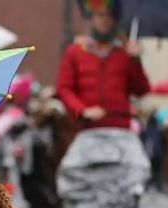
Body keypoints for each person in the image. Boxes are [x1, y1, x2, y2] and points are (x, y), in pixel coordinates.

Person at [56, 0, 150, 130]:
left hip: (120, 128)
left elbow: (142, 90)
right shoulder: (75, 52)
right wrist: (82, 111)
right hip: (86, 129)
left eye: (109, 15)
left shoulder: (125, 53)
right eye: (100, 15)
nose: (105, 20)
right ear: (92, 18)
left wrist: (136, 61)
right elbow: (64, 89)